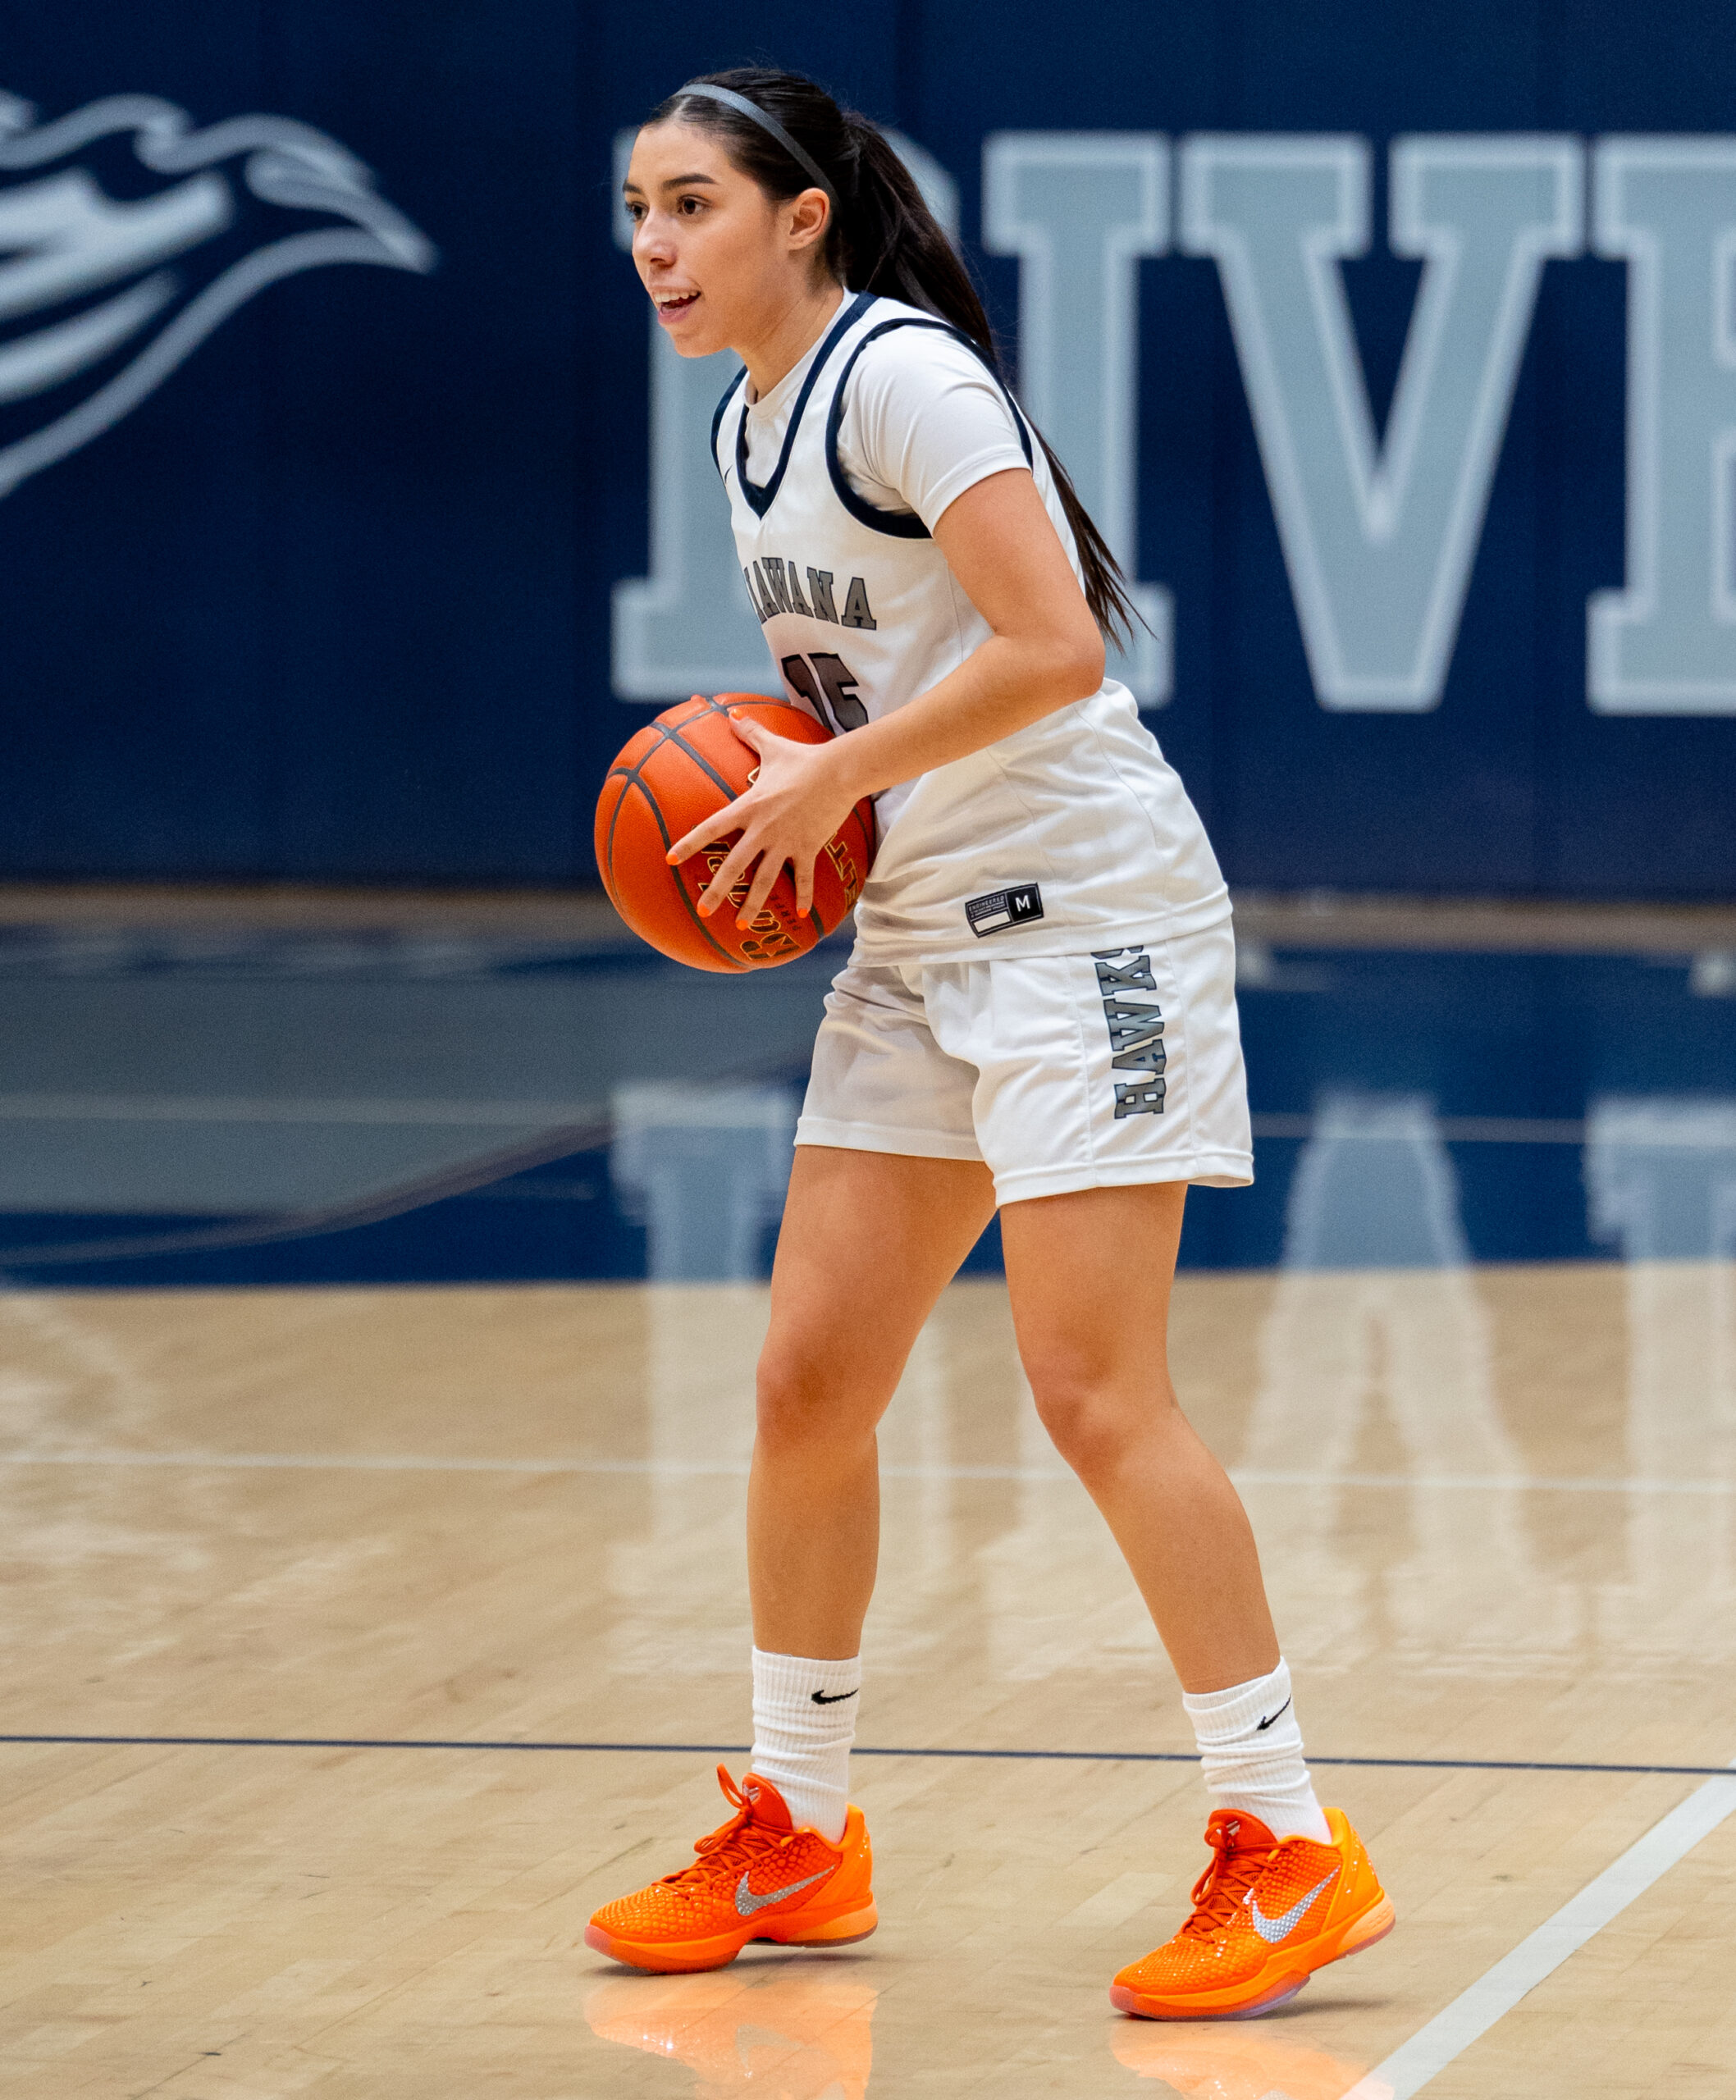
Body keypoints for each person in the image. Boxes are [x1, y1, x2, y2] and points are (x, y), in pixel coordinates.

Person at [589, 66, 1392, 2020]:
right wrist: (818, 821)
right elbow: (874, 694)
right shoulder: (748, 420)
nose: (655, 245)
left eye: (691, 205)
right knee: (804, 1383)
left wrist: (827, 779)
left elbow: (1057, 649)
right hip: (923, 930)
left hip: (1088, 922)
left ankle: (1287, 1838)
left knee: (1091, 1388)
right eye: (636, 211)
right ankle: (797, 1824)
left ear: (799, 216)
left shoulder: (901, 376)